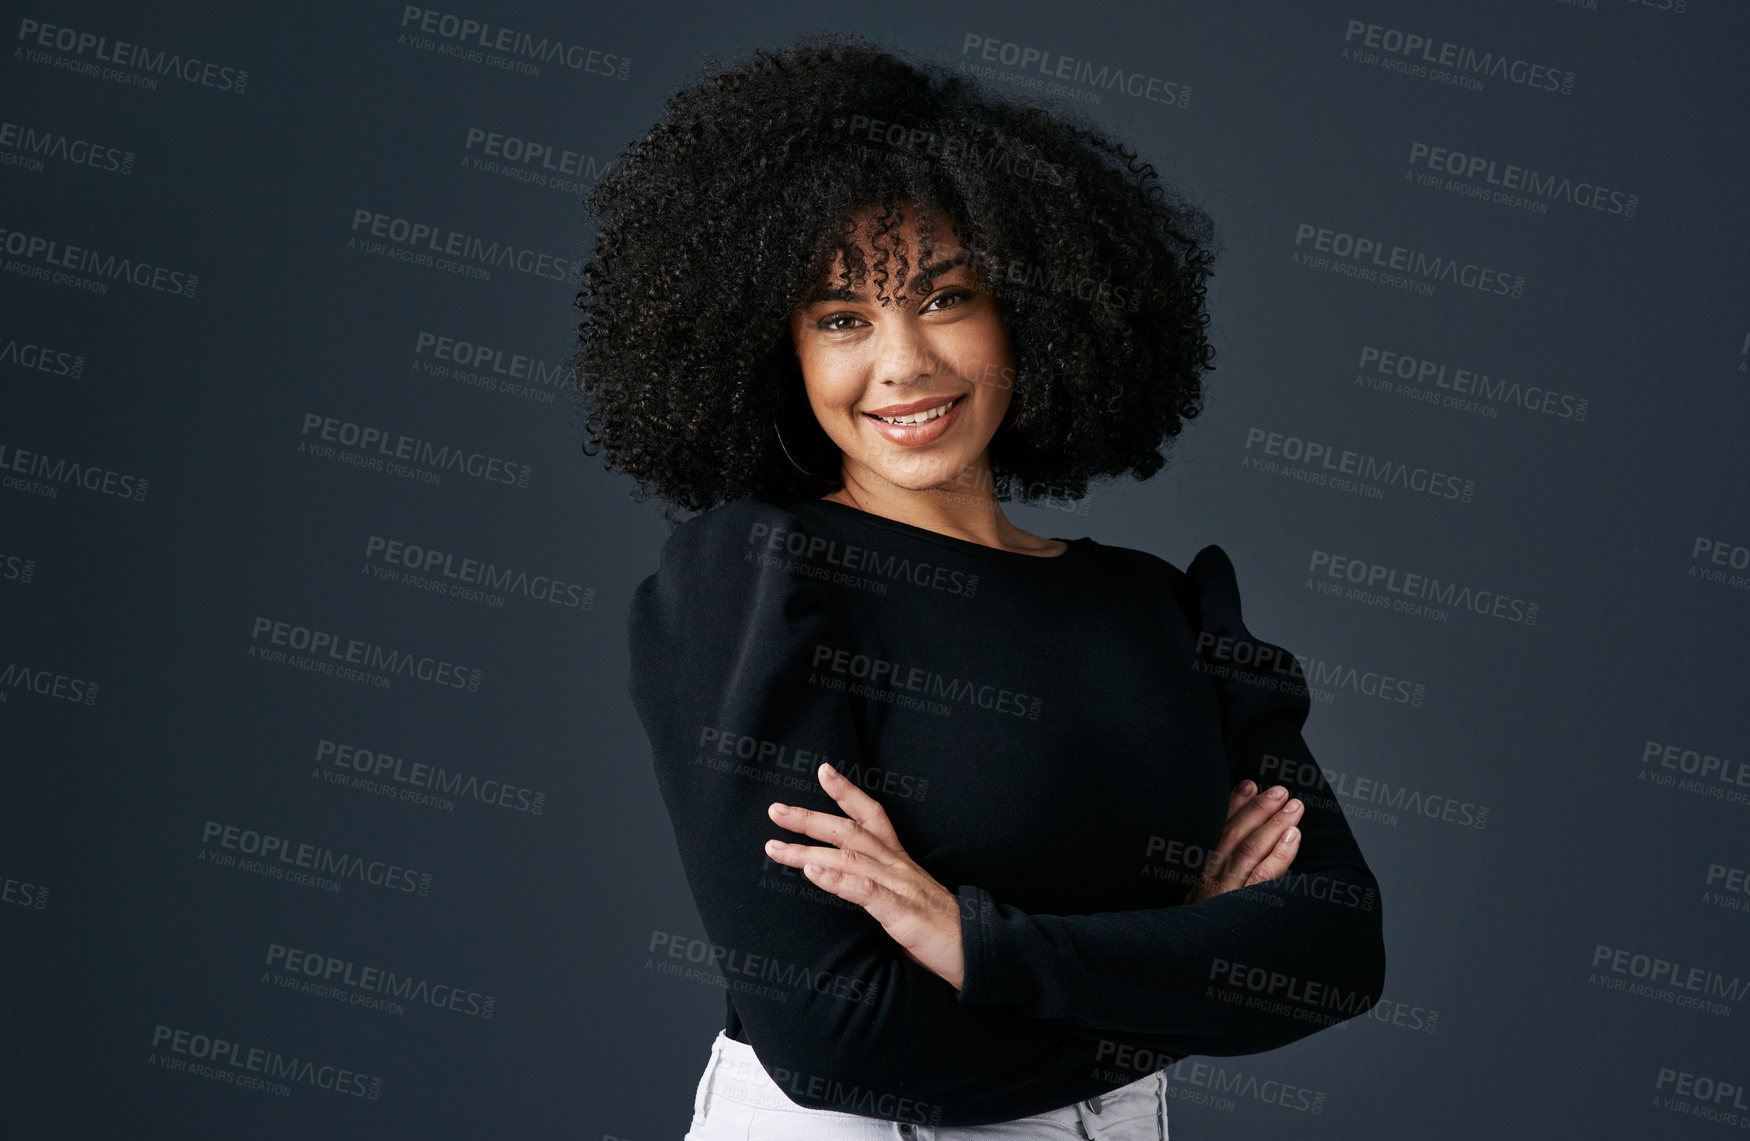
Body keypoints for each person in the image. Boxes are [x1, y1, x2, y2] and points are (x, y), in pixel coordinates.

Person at [577, 31, 1386, 1140]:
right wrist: (1185, 956)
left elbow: (1335, 953)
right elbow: (841, 1042)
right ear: (778, 351)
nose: (902, 363)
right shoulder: (762, 581)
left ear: (1033, 315)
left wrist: (983, 948)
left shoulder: (1159, 609)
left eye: (945, 298)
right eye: (842, 318)